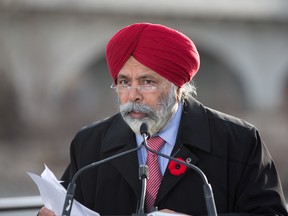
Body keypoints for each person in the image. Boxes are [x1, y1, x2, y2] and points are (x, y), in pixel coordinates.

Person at [38, 22, 288, 216]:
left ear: (178, 86)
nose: (133, 95)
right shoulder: (90, 143)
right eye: (124, 82)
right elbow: (67, 205)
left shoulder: (239, 141)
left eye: (147, 82)